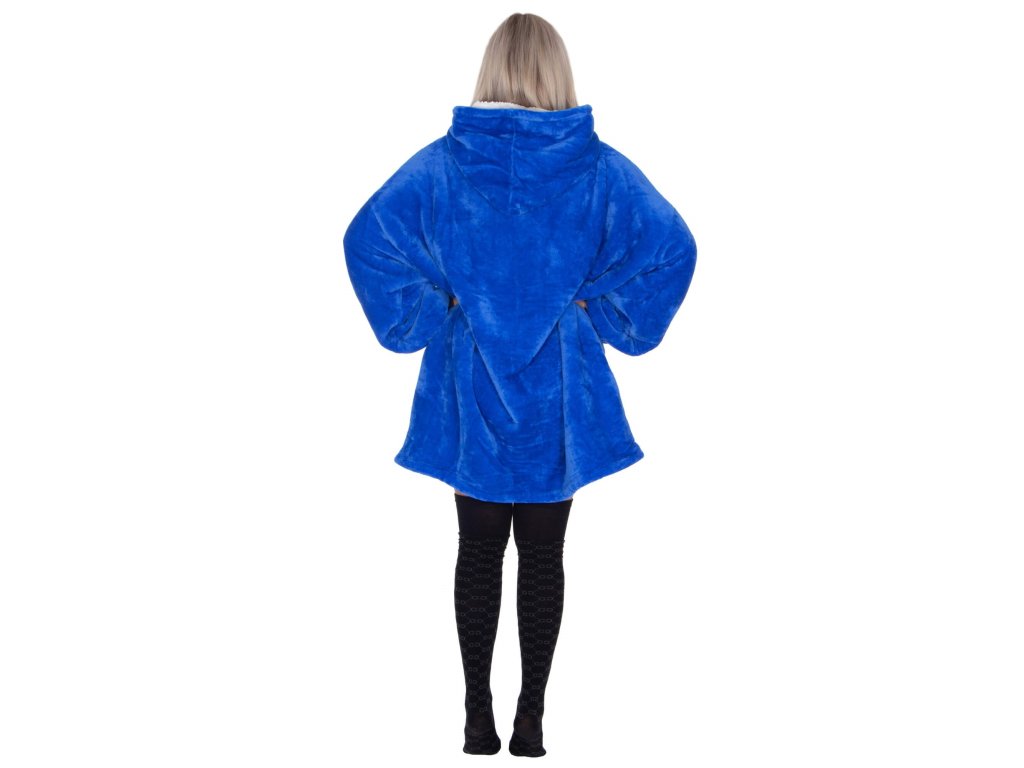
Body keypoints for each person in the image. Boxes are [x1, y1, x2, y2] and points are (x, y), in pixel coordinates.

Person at [343, 12, 697, 757]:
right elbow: (673, 247)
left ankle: (477, 717)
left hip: (467, 385)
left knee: (476, 551)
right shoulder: (597, 171)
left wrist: (432, 310)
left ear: (492, 70)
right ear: (555, 72)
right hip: (557, 398)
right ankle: (531, 718)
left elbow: (367, 239)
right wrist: (603, 312)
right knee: (543, 556)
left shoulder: (443, 166)